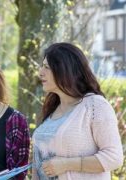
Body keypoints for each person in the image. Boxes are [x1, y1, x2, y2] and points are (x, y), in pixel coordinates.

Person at [33, 42, 123, 180]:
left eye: (47, 67)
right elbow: (39, 166)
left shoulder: (95, 106)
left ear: (65, 70)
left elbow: (114, 157)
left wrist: (66, 164)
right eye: (42, 66)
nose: (40, 72)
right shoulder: (52, 108)